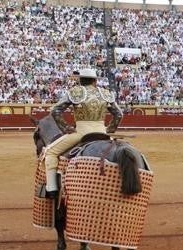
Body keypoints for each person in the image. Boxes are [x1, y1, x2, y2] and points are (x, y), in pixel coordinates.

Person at [43, 68, 123, 198]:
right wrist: (110, 129)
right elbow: (119, 114)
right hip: (103, 133)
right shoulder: (105, 93)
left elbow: (55, 110)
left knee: (50, 152)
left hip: (81, 133)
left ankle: (51, 189)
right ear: (95, 80)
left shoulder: (75, 92)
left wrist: (66, 128)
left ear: (80, 80)